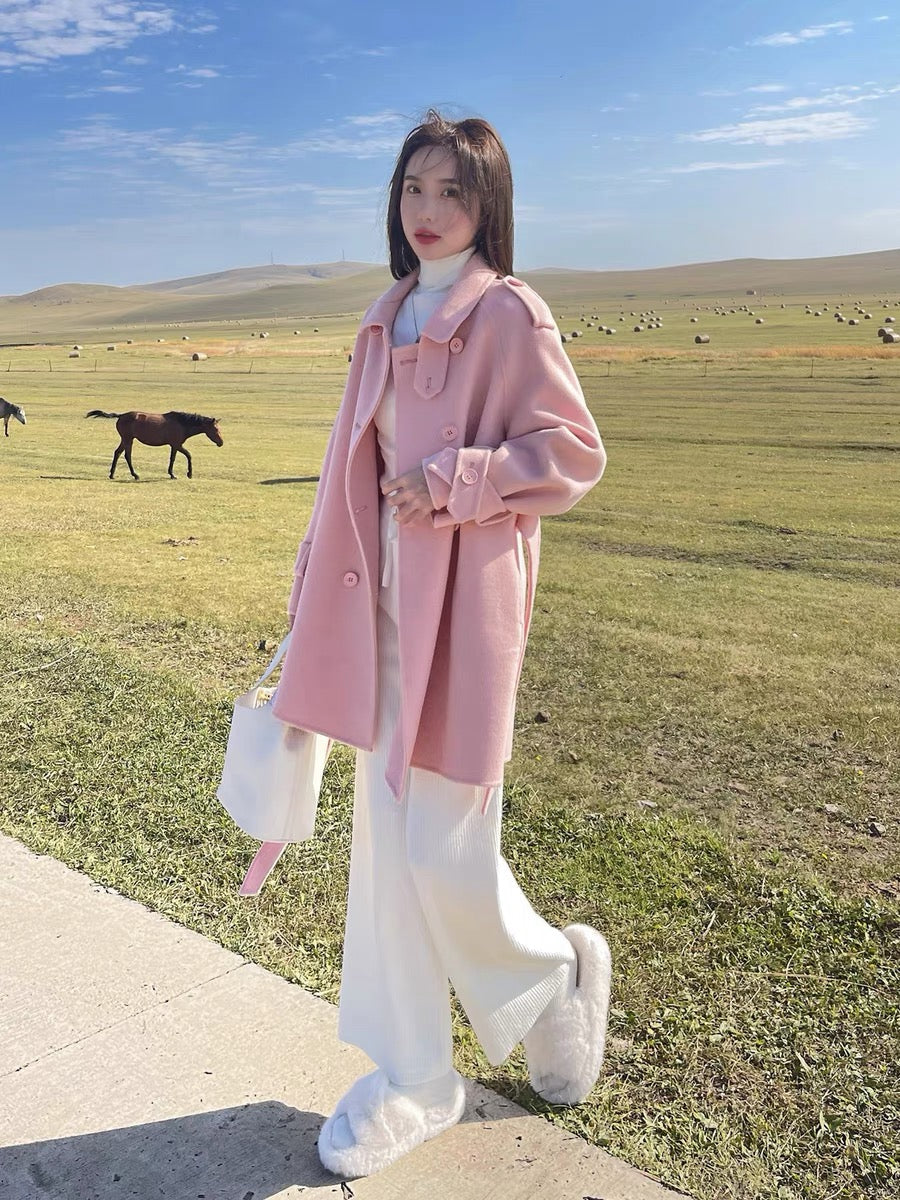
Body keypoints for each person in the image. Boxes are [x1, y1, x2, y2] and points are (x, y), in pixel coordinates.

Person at [271, 109, 610, 1179]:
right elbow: (346, 473)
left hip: (463, 614)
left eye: (453, 192)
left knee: (444, 846)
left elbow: (573, 451)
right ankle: (416, 1076)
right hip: (372, 613)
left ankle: (553, 976)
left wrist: (461, 478)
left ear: (487, 203)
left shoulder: (510, 313)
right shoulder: (383, 317)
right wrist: (307, 593)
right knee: (385, 852)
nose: (429, 210)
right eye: (413, 188)